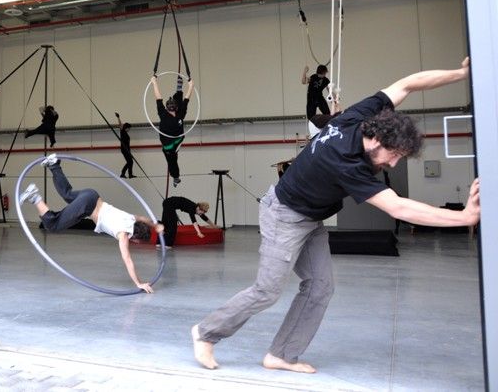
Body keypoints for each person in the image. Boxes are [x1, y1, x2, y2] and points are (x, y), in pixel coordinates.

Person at [191, 58, 480, 373]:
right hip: (284, 214)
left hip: (310, 217)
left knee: (320, 286)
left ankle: (282, 354)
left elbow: (406, 84)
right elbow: (398, 207)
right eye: (394, 155)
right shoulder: (346, 161)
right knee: (267, 290)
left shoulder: (360, 116)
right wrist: (463, 218)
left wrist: (462, 73)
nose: (394, 164)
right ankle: (205, 333)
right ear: (379, 141)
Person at [19, 155, 165, 293]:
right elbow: (128, 260)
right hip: (87, 206)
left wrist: (156, 225)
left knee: (68, 194)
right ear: (136, 238)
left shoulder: (132, 219)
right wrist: (139, 283)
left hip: (92, 195)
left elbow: (143, 218)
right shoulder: (123, 235)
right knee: (54, 225)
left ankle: (54, 164)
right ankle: (35, 197)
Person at [151, 76, 194, 186]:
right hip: (172, 143)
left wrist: (154, 83)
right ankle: (176, 177)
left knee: (172, 162)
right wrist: (191, 87)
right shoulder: (176, 114)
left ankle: (175, 177)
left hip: (174, 142)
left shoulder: (166, 114)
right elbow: (186, 100)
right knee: (172, 162)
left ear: (167, 108)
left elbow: (159, 98)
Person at [115, 112, 135, 178]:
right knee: (130, 162)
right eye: (129, 128)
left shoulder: (125, 133)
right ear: (126, 128)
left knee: (130, 162)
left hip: (127, 150)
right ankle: (125, 174)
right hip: (124, 150)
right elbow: (120, 125)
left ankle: (127, 174)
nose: (129, 130)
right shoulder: (123, 131)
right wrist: (118, 117)